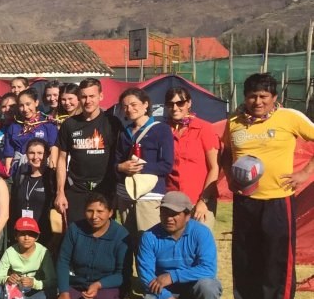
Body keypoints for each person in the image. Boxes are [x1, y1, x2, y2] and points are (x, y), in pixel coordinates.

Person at [223, 73, 314, 299]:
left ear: (275, 98)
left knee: (277, 258)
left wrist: (305, 173)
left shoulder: (290, 118)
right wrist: (230, 177)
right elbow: (226, 153)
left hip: (278, 200)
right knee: (245, 257)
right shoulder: (234, 122)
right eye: (252, 96)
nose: (257, 101)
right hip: (245, 201)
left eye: (263, 96)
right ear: (245, 97)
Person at [137, 191, 222, 299]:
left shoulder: (201, 233)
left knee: (209, 285)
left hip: (193, 288)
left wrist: (173, 275)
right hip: (167, 291)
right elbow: (145, 275)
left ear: (188, 215)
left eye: (174, 214)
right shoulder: (149, 237)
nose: (169, 218)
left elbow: (208, 269)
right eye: (164, 213)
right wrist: (167, 298)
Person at [50, 193, 130, 299]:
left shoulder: (121, 235)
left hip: (107, 287)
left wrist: (99, 284)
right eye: (89, 211)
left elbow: (123, 274)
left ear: (110, 213)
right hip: (79, 284)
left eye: (100, 211)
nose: (94, 216)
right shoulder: (74, 229)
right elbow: (63, 261)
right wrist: (64, 293)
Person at [55, 78, 122, 224]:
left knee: (103, 233)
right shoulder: (70, 124)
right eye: (84, 96)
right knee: (76, 232)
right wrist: (60, 192)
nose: (88, 101)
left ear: (101, 96)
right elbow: (61, 159)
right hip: (76, 189)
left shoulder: (112, 123)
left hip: (104, 188)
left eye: (92, 96)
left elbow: (120, 156)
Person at [115, 87, 174, 243]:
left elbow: (166, 165)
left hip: (149, 195)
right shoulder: (124, 133)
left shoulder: (161, 130)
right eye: (125, 106)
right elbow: (117, 161)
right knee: (128, 242)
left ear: (145, 104)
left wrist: (140, 167)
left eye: (134, 104)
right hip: (125, 194)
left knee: (149, 242)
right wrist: (121, 167)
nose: (129, 109)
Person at [164, 86, 221, 227]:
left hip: (198, 201)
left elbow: (214, 168)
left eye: (180, 103)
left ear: (189, 103)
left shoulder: (204, 128)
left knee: (199, 245)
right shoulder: (163, 130)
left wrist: (204, 201)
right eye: (170, 104)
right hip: (172, 200)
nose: (175, 107)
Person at [0, 217, 51, 299]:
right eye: (22, 234)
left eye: (31, 234)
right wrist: (7, 279)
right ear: (16, 236)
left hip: (34, 290)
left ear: (37, 237)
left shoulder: (43, 252)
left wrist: (34, 283)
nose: (26, 238)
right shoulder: (9, 252)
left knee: (51, 293)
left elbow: (52, 280)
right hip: (14, 289)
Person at [4, 89, 59, 177]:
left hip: (41, 170)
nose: (25, 109)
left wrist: (52, 170)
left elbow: (53, 149)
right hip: (18, 170)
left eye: (28, 104)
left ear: (36, 103)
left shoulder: (47, 124)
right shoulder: (14, 126)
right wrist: (8, 173)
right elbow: (9, 154)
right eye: (21, 105)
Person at [9, 139, 53, 246]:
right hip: (22, 233)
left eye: (40, 153)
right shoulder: (21, 175)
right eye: (31, 153)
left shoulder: (52, 178)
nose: (35, 157)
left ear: (46, 155)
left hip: (43, 235)